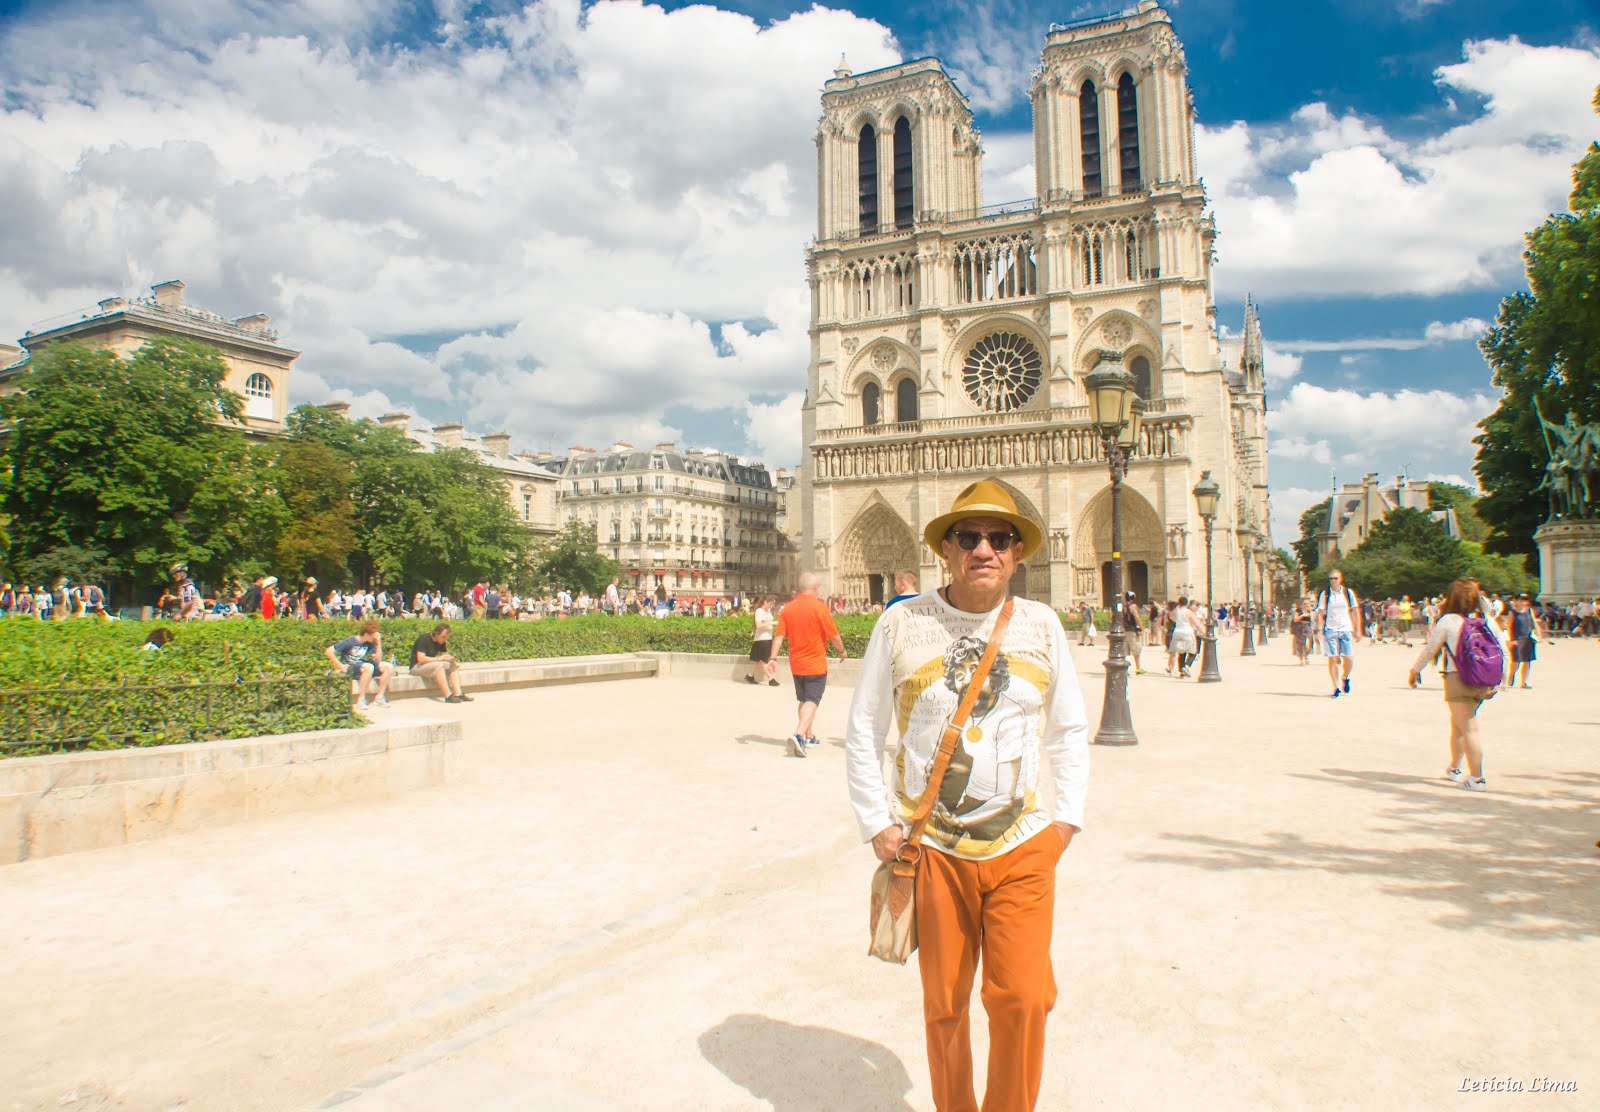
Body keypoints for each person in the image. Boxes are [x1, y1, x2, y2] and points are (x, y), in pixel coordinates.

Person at [845, 478, 1088, 1112]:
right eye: (969, 537)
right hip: (936, 850)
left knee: (1025, 997)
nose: (985, 548)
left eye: (1000, 538)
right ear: (946, 551)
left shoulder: (1041, 624)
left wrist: (1066, 823)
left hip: (1023, 843)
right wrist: (877, 821)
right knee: (945, 1006)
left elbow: (1068, 731)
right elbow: (865, 727)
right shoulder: (902, 622)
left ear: (1017, 554)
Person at [1407, 578, 1509, 791]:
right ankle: (1454, 767)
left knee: (1469, 728)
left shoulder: (1449, 620)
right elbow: (1502, 649)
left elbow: (1430, 649)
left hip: (1458, 678)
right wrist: (1502, 678)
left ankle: (1477, 778)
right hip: (1483, 679)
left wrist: (1415, 670)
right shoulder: (1487, 620)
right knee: (1458, 725)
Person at [769, 572, 846, 757]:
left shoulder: (787, 609)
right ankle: (799, 734)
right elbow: (833, 636)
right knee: (813, 700)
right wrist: (842, 650)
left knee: (804, 700)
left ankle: (809, 736)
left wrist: (772, 658)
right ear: (816, 588)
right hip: (816, 664)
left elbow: (779, 637)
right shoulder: (820, 608)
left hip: (797, 664)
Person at [324, 619, 395, 711]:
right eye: (373, 635)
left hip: (364, 667)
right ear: (366, 634)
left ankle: (379, 697)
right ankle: (361, 700)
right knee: (369, 667)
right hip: (352, 667)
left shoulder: (370, 643)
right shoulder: (350, 641)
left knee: (388, 666)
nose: (375, 637)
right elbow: (328, 651)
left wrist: (379, 643)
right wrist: (341, 666)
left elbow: (377, 660)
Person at [1315, 570, 1359, 698]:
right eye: (1331, 579)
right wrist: (1318, 630)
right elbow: (1320, 613)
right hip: (1330, 629)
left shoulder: (1348, 593)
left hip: (1345, 628)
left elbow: (1355, 611)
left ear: (1340, 579)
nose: (1333, 580)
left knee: (1349, 658)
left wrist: (1357, 630)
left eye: (1335, 578)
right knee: (1333, 658)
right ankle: (1335, 687)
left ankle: (1345, 677)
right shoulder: (1325, 594)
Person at [412, 622, 473, 703]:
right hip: (417, 667)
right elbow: (420, 659)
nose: (444, 639)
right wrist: (440, 658)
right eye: (443, 637)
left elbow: (445, 655)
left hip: (429, 664)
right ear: (436, 634)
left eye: (446, 638)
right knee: (439, 666)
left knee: (453, 665)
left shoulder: (441, 641)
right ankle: (448, 696)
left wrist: (450, 659)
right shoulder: (424, 639)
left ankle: (458, 694)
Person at [1505, 592, 1544, 689]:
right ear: (1516, 601)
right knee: (1515, 662)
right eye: (1521, 599)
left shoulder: (1529, 611)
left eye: (1525, 600)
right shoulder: (1512, 613)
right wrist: (1509, 640)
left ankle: (1523, 682)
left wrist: (1539, 636)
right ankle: (1510, 679)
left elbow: (1534, 624)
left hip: (1528, 638)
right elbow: (1508, 627)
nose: (1523, 602)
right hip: (1517, 639)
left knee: (1527, 661)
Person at [744, 596, 779, 686]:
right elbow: (758, 625)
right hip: (761, 639)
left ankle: (750, 676)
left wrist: (774, 624)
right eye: (770, 604)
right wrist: (772, 623)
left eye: (772, 604)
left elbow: (767, 624)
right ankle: (770, 679)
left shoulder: (768, 611)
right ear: (765, 602)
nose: (771, 606)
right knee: (764, 661)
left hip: (767, 638)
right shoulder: (759, 611)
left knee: (760, 661)